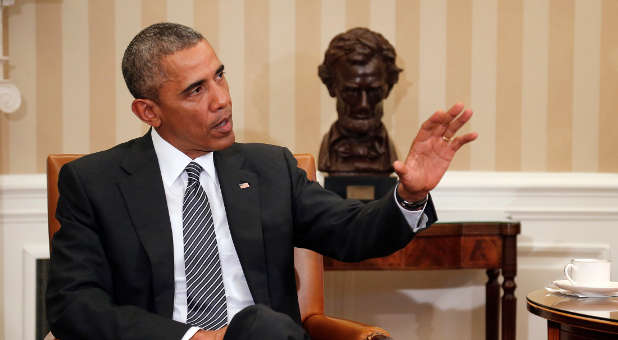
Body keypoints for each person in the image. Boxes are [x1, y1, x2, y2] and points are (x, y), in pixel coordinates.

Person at [46, 23, 477, 340]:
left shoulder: (269, 169)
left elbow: (354, 233)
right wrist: (196, 339)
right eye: (196, 90)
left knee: (258, 327)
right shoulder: (94, 183)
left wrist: (410, 194)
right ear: (149, 112)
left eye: (220, 74)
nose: (222, 99)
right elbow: (74, 306)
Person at [318, 27, 401, 174]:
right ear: (331, 87)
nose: (363, 105)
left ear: (388, 88)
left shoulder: (388, 154)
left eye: (374, 92)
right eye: (351, 92)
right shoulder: (328, 155)